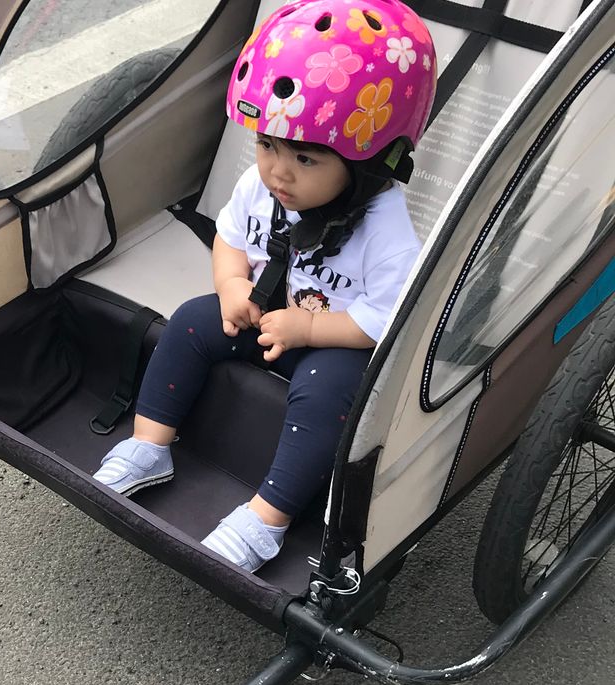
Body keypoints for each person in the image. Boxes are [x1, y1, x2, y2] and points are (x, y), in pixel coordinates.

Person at [94, 0, 437, 572]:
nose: (278, 170)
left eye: (304, 158)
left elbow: (385, 319)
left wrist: (310, 329)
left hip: (334, 344)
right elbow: (230, 238)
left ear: (371, 163)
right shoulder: (263, 187)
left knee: (329, 392)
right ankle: (149, 444)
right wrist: (232, 285)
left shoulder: (387, 234)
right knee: (192, 319)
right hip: (263, 316)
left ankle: (267, 518)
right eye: (267, 145)